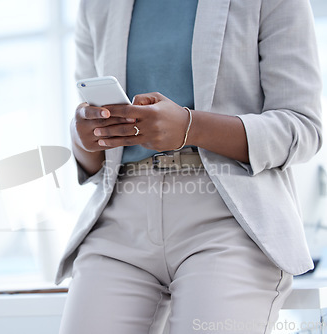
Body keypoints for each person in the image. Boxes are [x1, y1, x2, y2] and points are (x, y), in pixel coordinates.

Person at [56, 0, 322, 333]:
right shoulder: (96, 5)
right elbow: (94, 160)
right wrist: (84, 136)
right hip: (120, 220)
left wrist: (189, 127)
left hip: (228, 217)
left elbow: (302, 128)